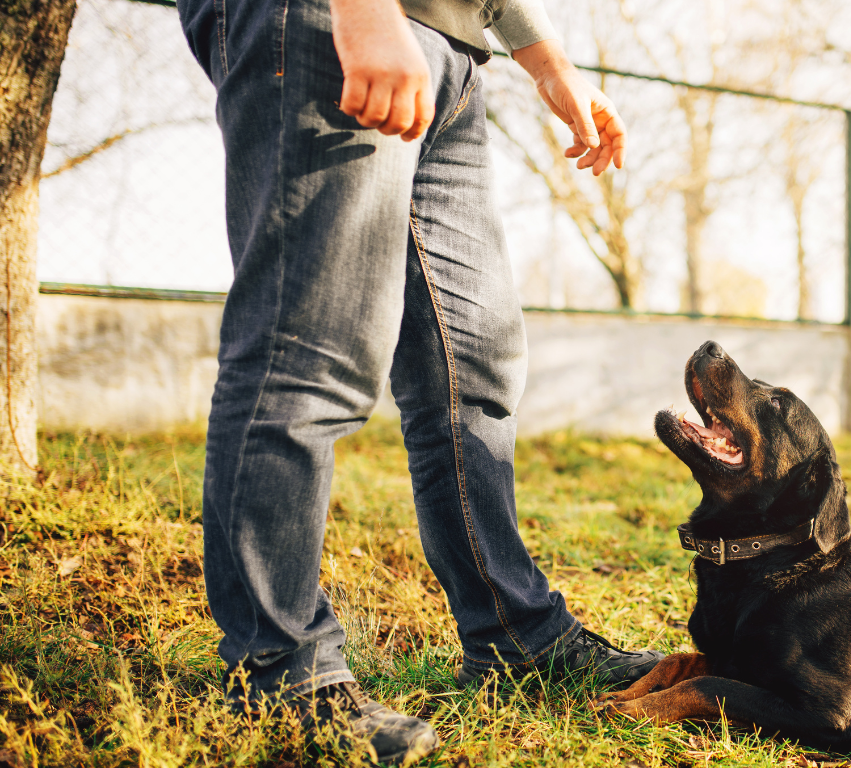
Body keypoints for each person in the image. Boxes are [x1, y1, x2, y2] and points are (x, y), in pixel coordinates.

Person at [176, 0, 662, 762]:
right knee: (310, 354)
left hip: (454, 50)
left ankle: (514, 638)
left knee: (473, 365)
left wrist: (546, 62)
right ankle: (278, 676)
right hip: (332, 20)